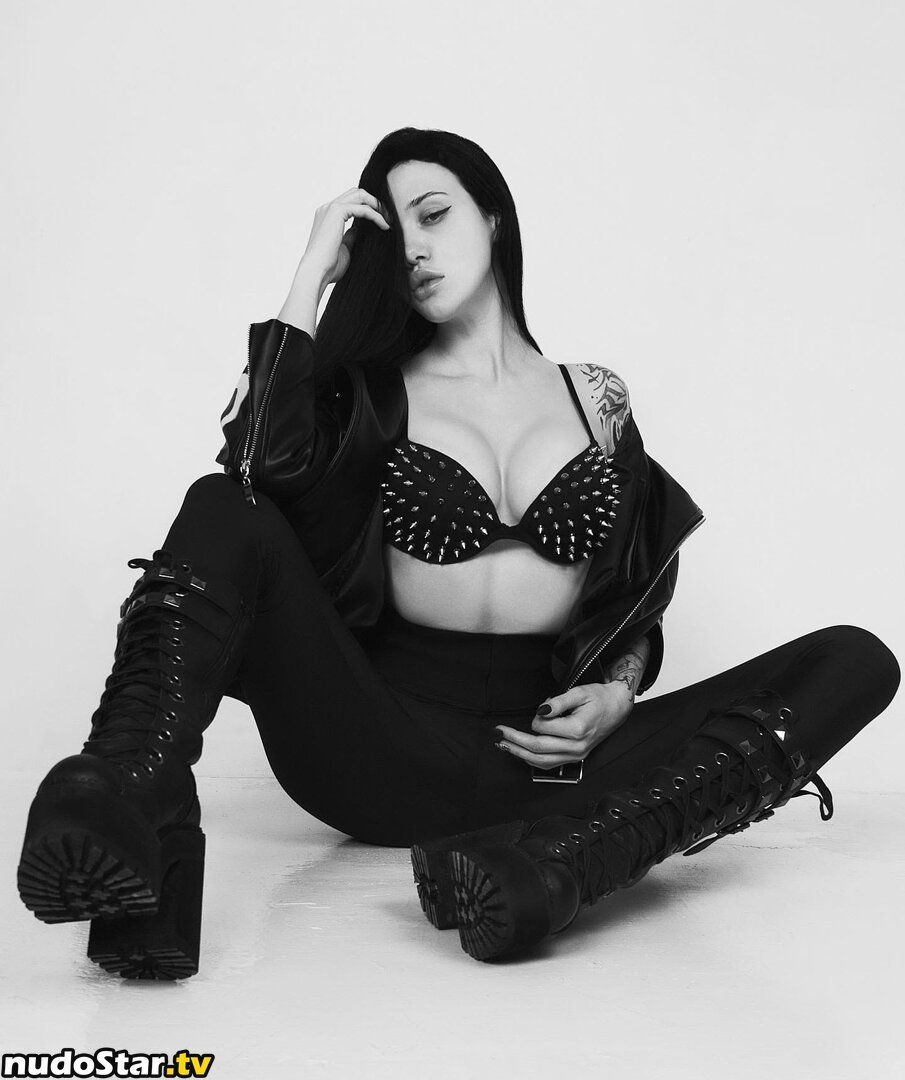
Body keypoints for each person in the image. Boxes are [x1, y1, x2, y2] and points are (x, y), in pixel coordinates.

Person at [17, 127, 900, 978]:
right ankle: (130, 789)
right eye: (391, 235)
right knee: (220, 504)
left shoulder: (594, 397)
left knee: (855, 659)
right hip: (375, 746)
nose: (413, 248)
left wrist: (618, 691)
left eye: (434, 215)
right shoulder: (365, 396)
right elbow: (249, 473)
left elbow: (632, 586)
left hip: (555, 775)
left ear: (494, 218)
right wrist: (311, 275)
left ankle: (562, 863)